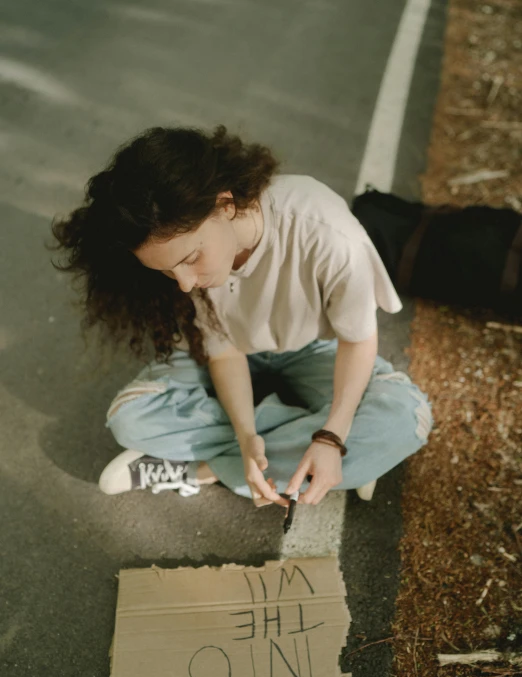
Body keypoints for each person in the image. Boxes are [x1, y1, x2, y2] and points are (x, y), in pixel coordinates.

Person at [51, 125, 432, 510]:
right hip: (226, 357)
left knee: (406, 415)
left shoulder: (326, 232)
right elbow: (224, 353)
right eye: (166, 271)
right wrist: (247, 437)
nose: (184, 284)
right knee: (129, 419)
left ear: (225, 205)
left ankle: (202, 469)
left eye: (189, 259)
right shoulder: (192, 254)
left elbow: (358, 340)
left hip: (309, 349)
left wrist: (332, 436)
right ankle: (332, 454)